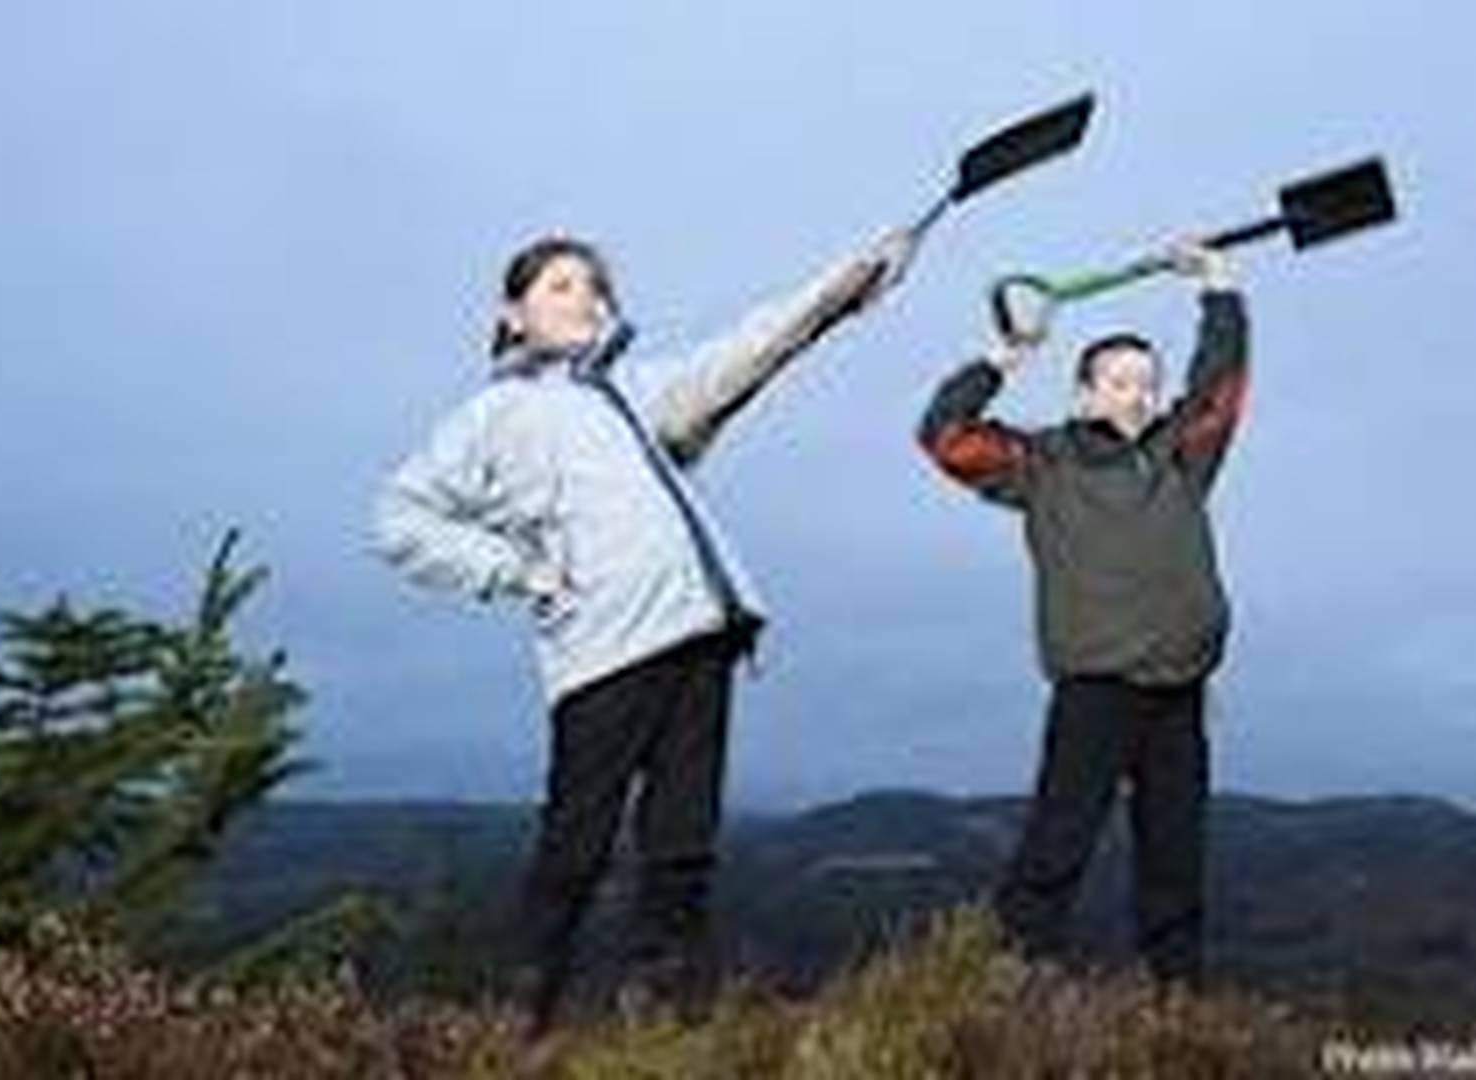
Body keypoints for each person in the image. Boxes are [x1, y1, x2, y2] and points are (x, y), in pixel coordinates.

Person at [373, 225, 916, 1027]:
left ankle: (663, 1026)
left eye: (593, 284)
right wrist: (513, 571)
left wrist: (837, 292)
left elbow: (745, 352)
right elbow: (401, 516)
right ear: (512, 313)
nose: (584, 295)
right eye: (560, 284)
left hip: (700, 641)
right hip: (602, 655)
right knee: (575, 851)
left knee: (683, 852)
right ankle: (508, 1027)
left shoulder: (637, 393)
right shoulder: (498, 414)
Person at [915, 238, 1248, 988]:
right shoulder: (1043, 463)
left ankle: (1177, 1000)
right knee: (1058, 844)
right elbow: (944, 436)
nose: (1137, 394)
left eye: (1147, 382)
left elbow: (1219, 387)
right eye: (1119, 380)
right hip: (1095, 690)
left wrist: (1220, 288)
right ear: (1085, 393)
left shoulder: (1181, 455)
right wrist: (999, 359)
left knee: (1175, 855)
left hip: (1180, 692)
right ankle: (1009, 982)